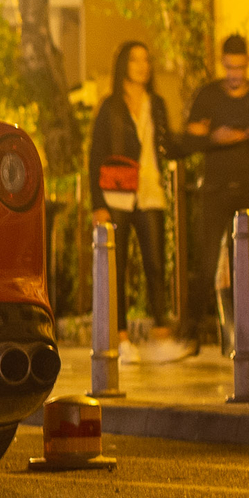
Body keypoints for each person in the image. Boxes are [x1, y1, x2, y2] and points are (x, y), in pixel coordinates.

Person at [182, 34, 249, 345]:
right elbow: (189, 139)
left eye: (240, 68)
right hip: (215, 189)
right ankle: (190, 331)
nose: (235, 75)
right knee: (206, 262)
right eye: (229, 68)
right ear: (222, 64)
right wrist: (214, 137)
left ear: (248, 63)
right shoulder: (208, 95)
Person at [88, 40, 179, 356]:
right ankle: (121, 337)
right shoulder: (110, 106)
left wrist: (202, 139)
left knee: (155, 264)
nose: (143, 66)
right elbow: (95, 155)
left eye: (146, 60)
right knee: (118, 266)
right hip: (117, 195)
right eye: (136, 60)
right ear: (124, 64)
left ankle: (161, 332)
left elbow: (169, 145)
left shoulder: (157, 104)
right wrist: (97, 203)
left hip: (151, 193)